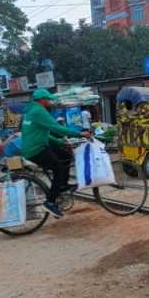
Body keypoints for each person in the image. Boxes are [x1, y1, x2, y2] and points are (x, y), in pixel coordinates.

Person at [22, 89, 90, 218]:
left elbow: (44, 134)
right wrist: (79, 133)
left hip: (37, 145)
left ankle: (62, 186)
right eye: (48, 99)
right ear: (42, 100)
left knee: (65, 155)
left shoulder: (31, 110)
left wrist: (60, 143)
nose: (50, 102)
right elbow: (56, 129)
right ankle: (50, 202)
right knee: (58, 168)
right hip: (35, 150)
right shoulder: (39, 111)